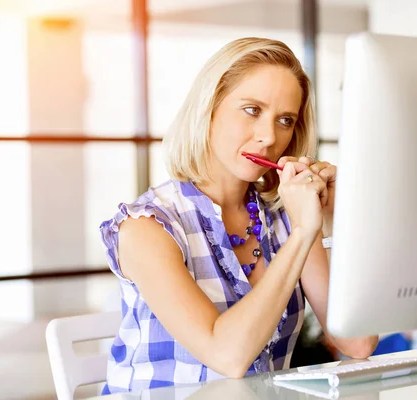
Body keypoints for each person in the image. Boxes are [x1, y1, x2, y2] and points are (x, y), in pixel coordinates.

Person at [99, 37, 378, 394]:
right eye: (251, 110)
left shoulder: (287, 215)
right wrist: (305, 230)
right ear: (209, 109)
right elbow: (228, 357)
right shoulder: (147, 227)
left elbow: (358, 342)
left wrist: (330, 221)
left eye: (285, 120)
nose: (267, 137)